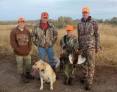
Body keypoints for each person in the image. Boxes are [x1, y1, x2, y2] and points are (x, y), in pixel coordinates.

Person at [77, 7, 100, 90]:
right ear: (82, 13)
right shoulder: (79, 23)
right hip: (82, 48)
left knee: (91, 65)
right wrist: (79, 47)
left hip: (91, 47)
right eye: (83, 12)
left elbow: (97, 35)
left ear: (89, 13)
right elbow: (79, 36)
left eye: (86, 12)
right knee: (83, 64)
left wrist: (97, 47)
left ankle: (89, 83)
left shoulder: (94, 22)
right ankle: (85, 77)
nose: (85, 14)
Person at [10, 17, 32, 83]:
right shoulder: (14, 31)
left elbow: (30, 41)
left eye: (23, 22)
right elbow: (12, 42)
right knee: (20, 65)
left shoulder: (27, 31)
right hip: (18, 53)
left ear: (24, 23)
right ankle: (22, 77)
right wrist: (18, 50)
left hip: (27, 52)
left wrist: (29, 49)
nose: (22, 23)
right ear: (18, 22)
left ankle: (28, 75)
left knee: (28, 64)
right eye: (20, 22)